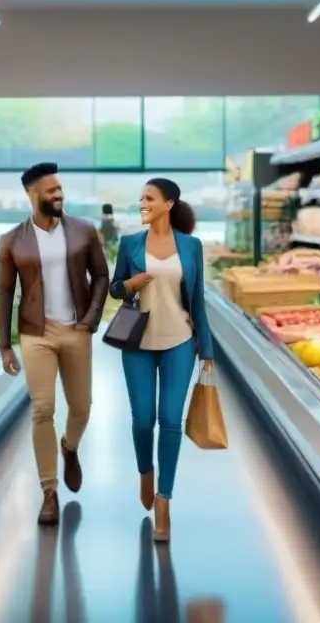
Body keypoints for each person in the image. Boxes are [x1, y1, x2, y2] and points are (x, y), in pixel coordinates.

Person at [0, 162, 109, 525]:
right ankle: (48, 491)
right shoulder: (12, 241)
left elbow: (102, 276)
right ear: (32, 195)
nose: (58, 195)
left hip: (77, 330)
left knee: (82, 407)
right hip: (35, 332)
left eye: (60, 189)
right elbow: (4, 292)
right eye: (51, 191)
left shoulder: (84, 231)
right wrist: (4, 344)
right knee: (42, 409)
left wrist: (90, 320)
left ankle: (69, 447)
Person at [109, 177, 213, 543]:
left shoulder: (191, 246)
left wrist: (208, 349)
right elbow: (115, 287)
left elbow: (197, 298)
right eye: (140, 198)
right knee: (142, 420)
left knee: (170, 420)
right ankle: (145, 471)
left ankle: (163, 500)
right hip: (137, 342)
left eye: (149, 198)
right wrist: (132, 284)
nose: (142, 203)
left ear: (169, 204)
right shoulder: (130, 244)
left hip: (180, 342)